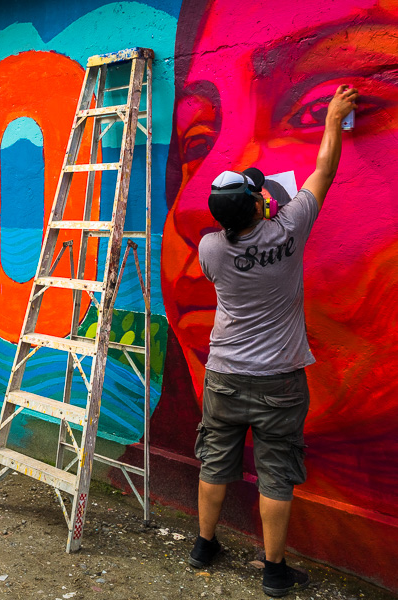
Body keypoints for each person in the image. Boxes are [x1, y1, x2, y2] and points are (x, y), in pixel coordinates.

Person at [186, 86, 357, 597]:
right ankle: (273, 571)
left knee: (216, 459)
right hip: (279, 381)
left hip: (224, 375)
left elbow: (238, 224)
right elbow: (322, 173)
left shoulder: (211, 248)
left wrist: (250, 202)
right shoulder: (290, 228)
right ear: (261, 203)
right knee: (275, 472)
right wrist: (331, 120)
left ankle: (202, 546)